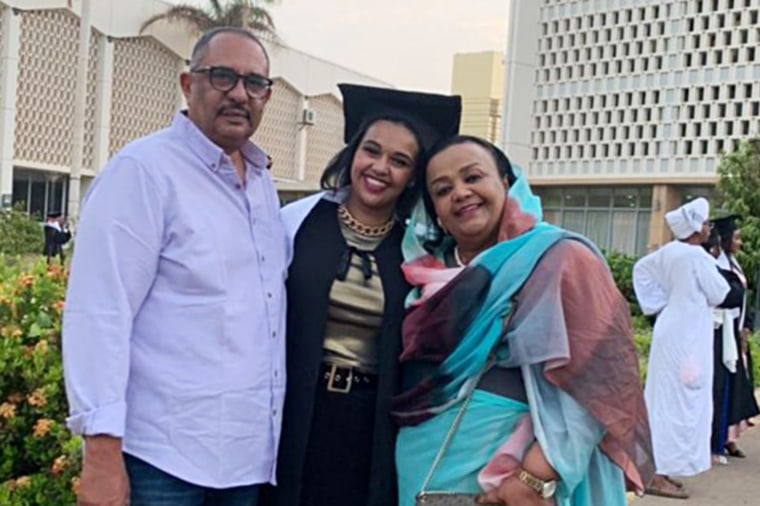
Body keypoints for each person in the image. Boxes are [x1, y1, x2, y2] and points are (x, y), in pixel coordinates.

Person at [62, 27, 287, 506]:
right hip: (161, 458)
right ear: (188, 84)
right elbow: (100, 313)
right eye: (222, 76)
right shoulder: (144, 172)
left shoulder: (263, 185)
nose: (239, 94)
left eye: (254, 83)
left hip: (245, 461)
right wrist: (101, 454)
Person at [393, 136, 654, 506]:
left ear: (505, 182)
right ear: (435, 211)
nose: (461, 193)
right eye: (443, 189)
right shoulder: (422, 276)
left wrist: (535, 477)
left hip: (514, 481)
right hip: (423, 469)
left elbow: (602, 381)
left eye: (473, 177)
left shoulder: (559, 259)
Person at [259, 84, 461, 506]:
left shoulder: (421, 253)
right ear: (353, 154)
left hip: (372, 424)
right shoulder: (295, 223)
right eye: (372, 150)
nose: (380, 167)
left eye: (400, 161)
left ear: (412, 178)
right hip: (295, 412)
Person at [633, 198, 731, 499]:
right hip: (687, 337)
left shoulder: (668, 252)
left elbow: (640, 269)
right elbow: (721, 292)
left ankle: (655, 469)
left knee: (664, 401)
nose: (707, 227)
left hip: (671, 331)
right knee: (679, 405)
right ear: (693, 228)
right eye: (704, 222)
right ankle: (656, 475)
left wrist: (658, 302)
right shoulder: (695, 256)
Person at [711, 214, 760, 460]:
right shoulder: (717, 266)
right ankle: (721, 437)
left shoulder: (733, 264)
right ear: (725, 239)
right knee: (725, 384)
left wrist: (747, 326)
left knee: (740, 383)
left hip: (737, 331)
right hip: (722, 332)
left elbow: (744, 298)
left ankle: (730, 437)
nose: (740, 243)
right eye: (737, 237)